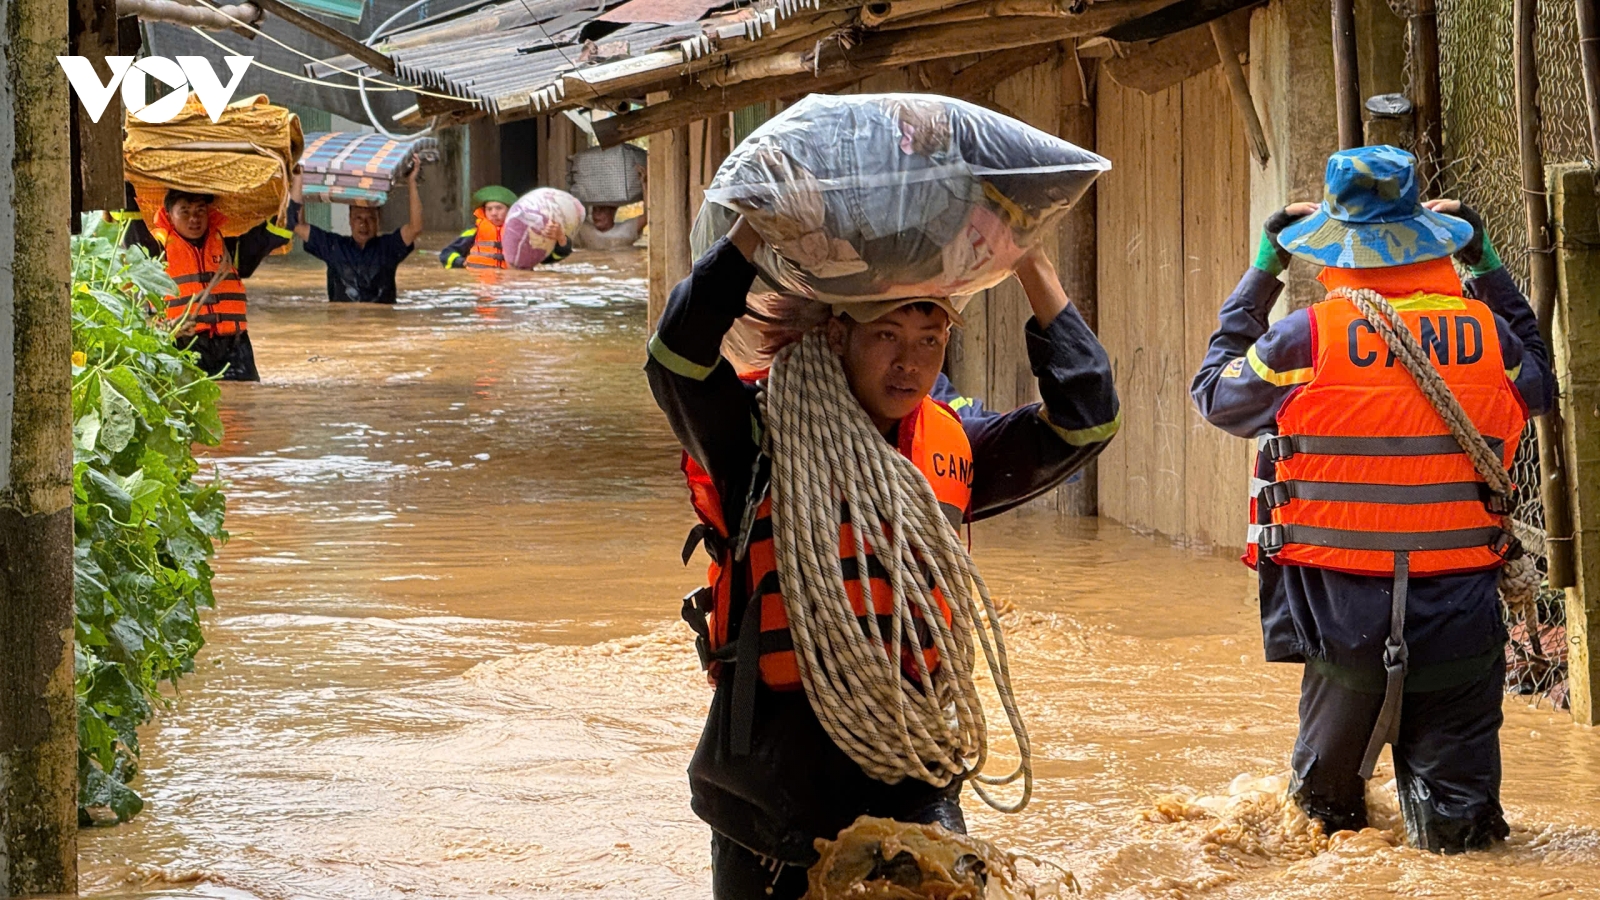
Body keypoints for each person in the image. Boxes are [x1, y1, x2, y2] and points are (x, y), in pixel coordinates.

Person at [647, 217, 1120, 898]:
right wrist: (753, 231)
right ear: (837, 335)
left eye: (930, 340)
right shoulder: (753, 437)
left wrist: (1031, 264)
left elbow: (1088, 418)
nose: (910, 363)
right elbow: (677, 359)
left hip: (914, 779)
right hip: (771, 788)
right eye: (887, 336)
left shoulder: (956, 445)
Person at [1191, 145, 1554, 853]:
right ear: (1430, 237)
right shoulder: (1489, 338)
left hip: (1342, 624)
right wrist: (1487, 266)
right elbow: (1540, 381)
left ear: (1333, 245)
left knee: (1317, 829)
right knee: (1464, 841)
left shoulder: (1304, 339)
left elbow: (1215, 394)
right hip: (1459, 617)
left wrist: (1265, 270)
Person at [132, 188, 296, 381]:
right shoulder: (154, 254)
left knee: (244, 404)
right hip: (182, 347)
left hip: (234, 350)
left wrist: (294, 185)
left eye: (200, 210)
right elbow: (129, 219)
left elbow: (278, 230)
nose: (194, 218)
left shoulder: (230, 248)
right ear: (168, 215)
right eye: (185, 211)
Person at [289, 165, 422, 303]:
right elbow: (298, 225)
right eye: (358, 218)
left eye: (370, 218)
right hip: (342, 323)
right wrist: (299, 178)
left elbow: (415, 228)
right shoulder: (333, 247)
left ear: (378, 221)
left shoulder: (389, 248)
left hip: (378, 323)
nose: (364, 224)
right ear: (350, 220)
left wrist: (411, 182)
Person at [439, 185, 572, 269]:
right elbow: (446, 254)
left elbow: (548, 259)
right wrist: (460, 262)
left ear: (511, 211)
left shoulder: (526, 234)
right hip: (482, 283)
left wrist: (561, 239)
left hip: (512, 283)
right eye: (489, 209)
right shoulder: (474, 232)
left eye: (499, 208)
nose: (494, 213)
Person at [573, 166, 648, 251]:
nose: (596, 214)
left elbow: (648, 215)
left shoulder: (626, 231)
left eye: (602, 210)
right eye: (595, 210)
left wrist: (644, 183)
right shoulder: (585, 230)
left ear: (612, 213)